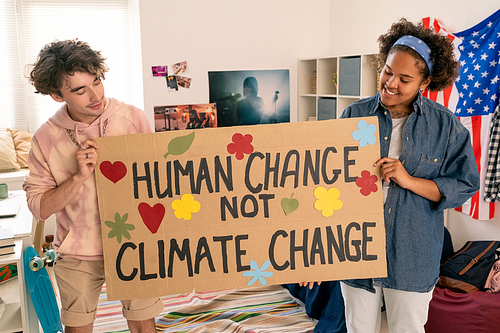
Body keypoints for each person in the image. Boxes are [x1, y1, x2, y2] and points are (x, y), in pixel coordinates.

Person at [303, 18, 480, 333]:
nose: (391, 83)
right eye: (387, 71)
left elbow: (465, 185)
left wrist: (408, 180)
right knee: (358, 329)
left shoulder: (445, 126)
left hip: (413, 256)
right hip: (355, 253)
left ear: (424, 83)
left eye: (405, 78)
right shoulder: (353, 115)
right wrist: (316, 252)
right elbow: (326, 186)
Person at [23, 40, 164, 333]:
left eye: (97, 81)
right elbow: (39, 208)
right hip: (76, 254)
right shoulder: (45, 138)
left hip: (134, 244)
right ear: (55, 94)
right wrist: (77, 177)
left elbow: (158, 180)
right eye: (79, 90)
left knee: (144, 326)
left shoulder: (133, 118)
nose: (96, 95)